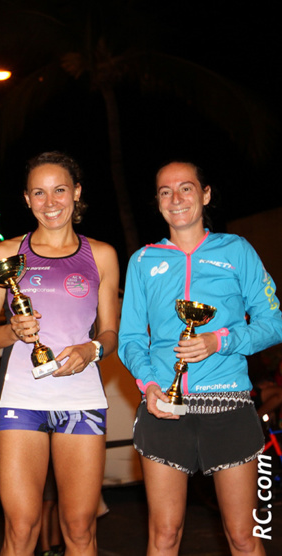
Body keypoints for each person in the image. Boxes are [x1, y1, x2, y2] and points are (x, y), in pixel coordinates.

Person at [118, 161, 282, 556]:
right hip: (165, 410)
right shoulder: (143, 261)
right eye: (165, 191)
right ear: (157, 202)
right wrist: (149, 384)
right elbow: (130, 339)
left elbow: (273, 322)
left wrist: (219, 340)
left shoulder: (236, 249)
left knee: (245, 537)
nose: (176, 198)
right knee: (164, 536)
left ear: (205, 195)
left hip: (229, 406)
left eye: (186, 188)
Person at [0, 152, 120, 556]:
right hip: (22, 400)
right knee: (21, 531)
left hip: (82, 400)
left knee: (78, 531)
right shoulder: (4, 253)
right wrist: (11, 332)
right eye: (39, 192)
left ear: (76, 193)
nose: (50, 201)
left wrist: (91, 350)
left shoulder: (102, 255)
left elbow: (111, 333)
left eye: (59, 190)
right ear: (26, 199)